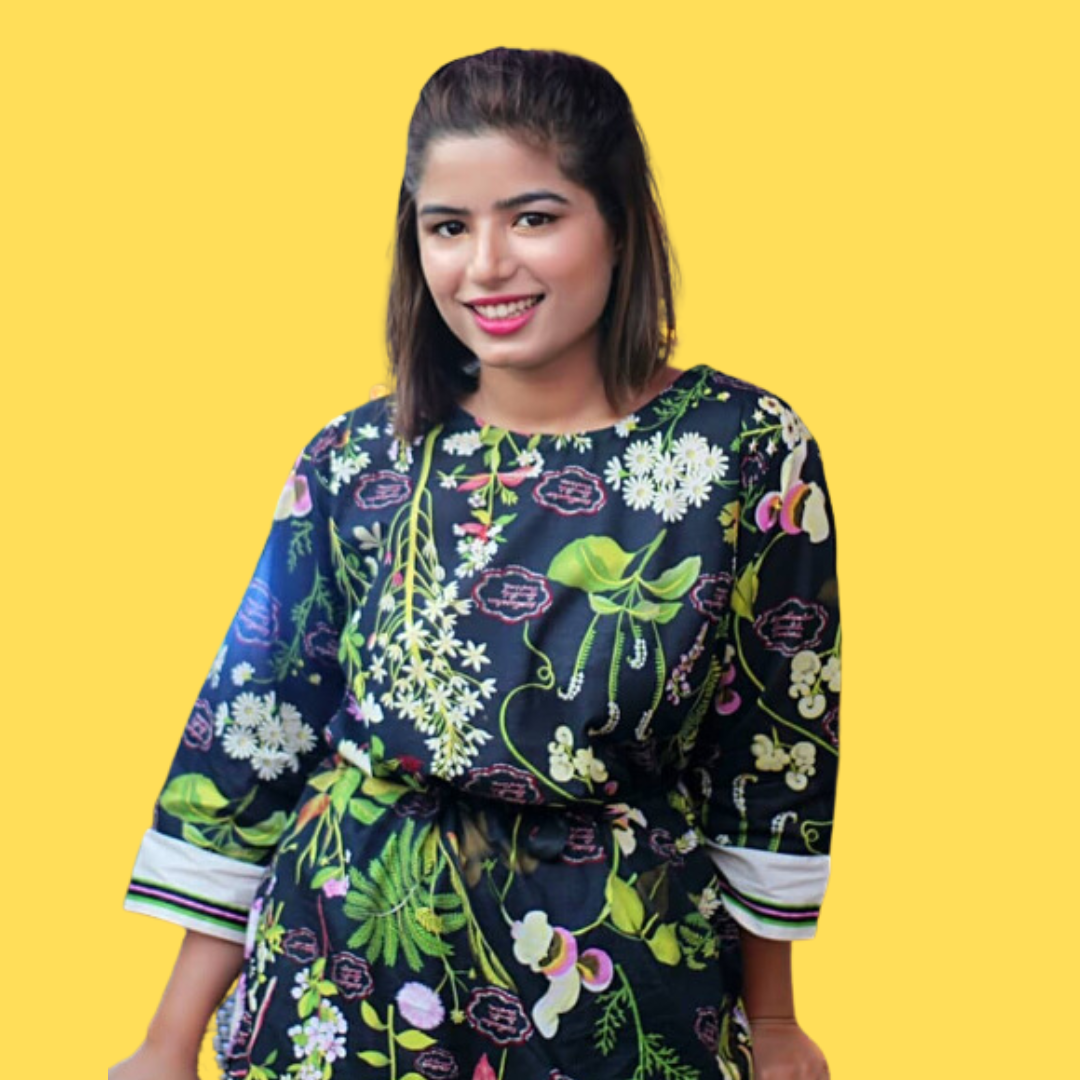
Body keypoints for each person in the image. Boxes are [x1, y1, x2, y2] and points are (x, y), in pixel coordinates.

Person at [111, 47, 840, 1080]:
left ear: (619, 223)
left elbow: (771, 744)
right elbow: (259, 730)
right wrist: (166, 1041)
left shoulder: (741, 450)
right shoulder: (358, 458)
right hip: (344, 974)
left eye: (533, 217)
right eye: (447, 227)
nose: (485, 266)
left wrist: (775, 1020)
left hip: (615, 984)